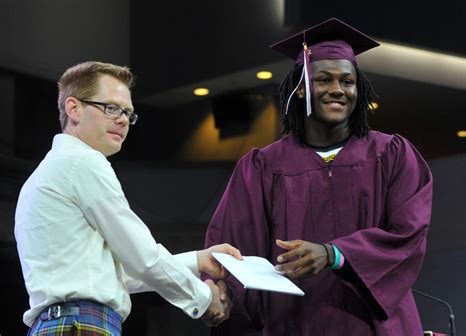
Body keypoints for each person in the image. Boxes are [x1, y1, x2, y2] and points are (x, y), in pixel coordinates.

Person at [204, 18, 433, 335]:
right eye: (323, 80)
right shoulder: (262, 167)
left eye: (348, 81)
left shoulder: (391, 154)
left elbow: (409, 233)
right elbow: (231, 246)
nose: (338, 89)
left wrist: (335, 254)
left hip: (375, 326)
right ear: (301, 90)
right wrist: (216, 289)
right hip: (296, 323)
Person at [14, 61, 242, 335]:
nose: (123, 119)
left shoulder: (48, 172)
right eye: (111, 108)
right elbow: (141, 255)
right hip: (80, 325)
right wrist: (203, 299)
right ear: (73, 108)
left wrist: (196, 260)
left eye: (128, 113)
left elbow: (109, 276)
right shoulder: (83, 162)